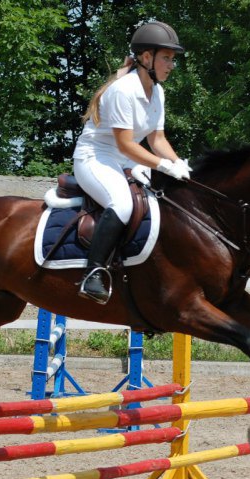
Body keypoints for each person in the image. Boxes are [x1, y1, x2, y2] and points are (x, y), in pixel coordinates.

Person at [73, 21, 192, 304]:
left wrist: (179, 164)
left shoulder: (157, 92)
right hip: (95, 157)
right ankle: (93, 273)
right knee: (123, 204)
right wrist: (163, 166)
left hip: (126, 158)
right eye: (166, 58)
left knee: (168, 199)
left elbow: (157, 140)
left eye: (172, 59)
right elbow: (127, 143)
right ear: (146, 57)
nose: (171, 65)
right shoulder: (123, 90)